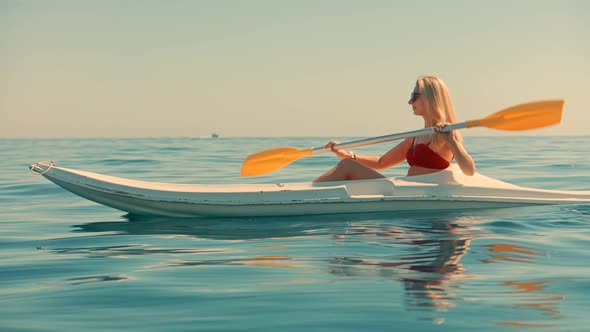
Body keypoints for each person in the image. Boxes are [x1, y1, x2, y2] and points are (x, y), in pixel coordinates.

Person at [313, 76, 475, 182]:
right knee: (347, 162)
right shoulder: (416, 136)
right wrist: (348, 154)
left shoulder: (446, 133)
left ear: (430, 98)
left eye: (413, 97)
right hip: (405, 189)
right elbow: (382, 162)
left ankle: (307, 193)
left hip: (420, 193)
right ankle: (308, 191)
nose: (409, 102)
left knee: (347, 166)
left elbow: (469, 170)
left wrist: (451, 140)